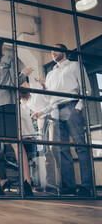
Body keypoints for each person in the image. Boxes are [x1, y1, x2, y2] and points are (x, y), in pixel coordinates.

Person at [32, 44, 92, 197]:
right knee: (61, 150)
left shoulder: (75, 66)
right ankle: (68, 186)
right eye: (51, 51)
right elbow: (50, 99)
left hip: (72, 107)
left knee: (81, 148)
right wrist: (44, 87)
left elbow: (87, 89)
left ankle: (86, 186)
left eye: (56, 50)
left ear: (64, 52)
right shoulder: (51, 73)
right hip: (55, 111)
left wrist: (78, 108)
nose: (53, 53)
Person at [0, 39, 34, 196]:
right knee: (16, 144)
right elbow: (15, 82)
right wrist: (23, 74)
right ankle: (27, 183)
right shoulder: (9, 59)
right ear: (1, 47)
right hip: (7, 104)